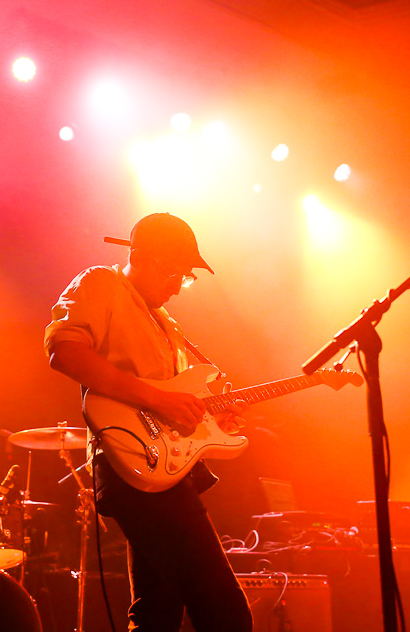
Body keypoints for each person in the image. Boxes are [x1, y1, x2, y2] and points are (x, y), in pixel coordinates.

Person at [44, 213, 252, 632]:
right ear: (137, 256)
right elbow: (64, 350)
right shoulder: (102, 283)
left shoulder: (167, 325)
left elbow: (172, 403)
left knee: (157, 610)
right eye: (172, 272)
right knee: (224, 610)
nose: (177, 285)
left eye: (186, 276)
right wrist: (162, 399)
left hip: (167, 466)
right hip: (131, 459)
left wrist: (209, 417)